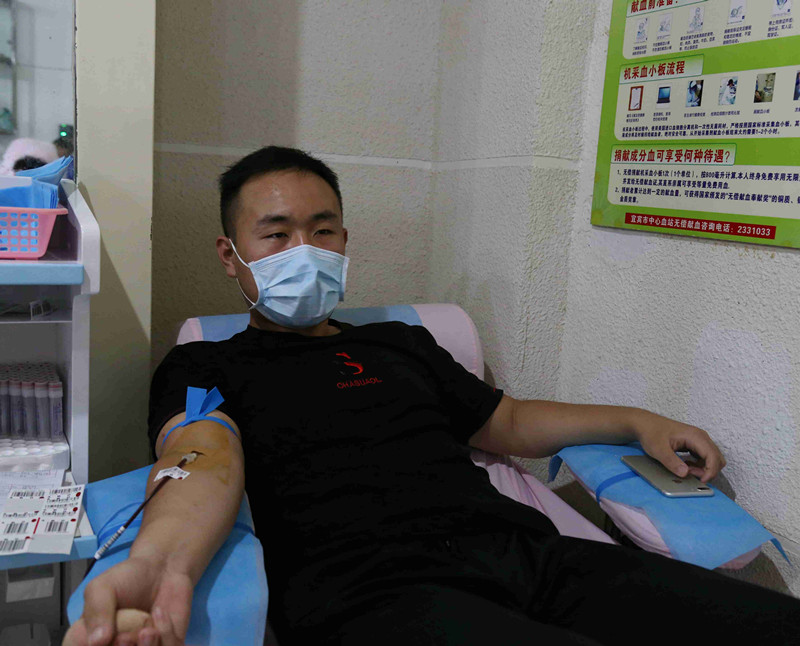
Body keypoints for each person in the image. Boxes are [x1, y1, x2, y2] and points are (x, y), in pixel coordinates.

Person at [65, 147, 800, 646]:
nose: (304, 251)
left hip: (523, 553)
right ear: (231, 256)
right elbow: (203, 456)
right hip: (369, 591)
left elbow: (508, 421)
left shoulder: (400, 344)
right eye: (276, 235)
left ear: (344, 242)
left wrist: (636, 421)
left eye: (321, 230)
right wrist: (164, 562)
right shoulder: (205, 360)